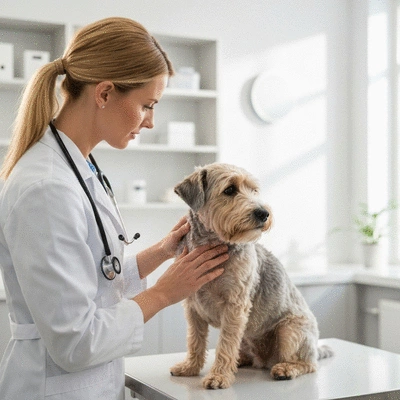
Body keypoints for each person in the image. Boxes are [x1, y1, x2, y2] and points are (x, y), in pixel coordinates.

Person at [0, 17, 228, 399]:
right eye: (147, 105)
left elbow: (93, 282)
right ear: (104, 93)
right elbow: (75, 342)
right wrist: (163, 294)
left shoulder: (79, 167)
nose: (151, 122)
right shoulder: (46, 187)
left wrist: (160, 254)